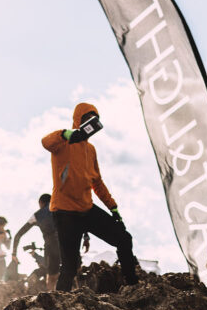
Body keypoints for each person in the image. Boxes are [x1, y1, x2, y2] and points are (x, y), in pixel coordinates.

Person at [42, 102, 139, 291]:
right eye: (88, 119)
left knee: (124, 239)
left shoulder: (91, 149)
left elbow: (97, 182)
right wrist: (67, 134)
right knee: (69, 267)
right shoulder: (63, 142)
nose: (92, 123)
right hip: (65, 213)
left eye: (96, 120)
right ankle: (60, 306)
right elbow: (45, 142)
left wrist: (113, 207)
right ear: (78, 120)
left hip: (87, 209)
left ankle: (132, 285)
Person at [12, 194, 62, 291]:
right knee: (74, 270)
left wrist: (14, 253)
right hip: (67, 242)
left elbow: (18, 235)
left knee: (51, 278)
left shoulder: (37, 216)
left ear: (41, 203)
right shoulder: (62, 207)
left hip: (51, 246)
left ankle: (52, 300)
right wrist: (86, 237)